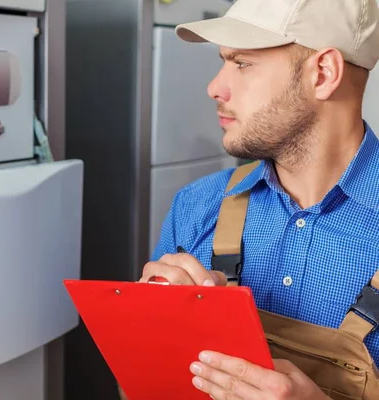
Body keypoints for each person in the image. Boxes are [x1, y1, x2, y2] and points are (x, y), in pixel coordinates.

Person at [122, 0, 379, 399]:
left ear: (324, 73)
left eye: (242, 63)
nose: (214, 87)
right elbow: (140, 384)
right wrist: (148, 332)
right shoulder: (197, 205)